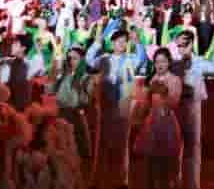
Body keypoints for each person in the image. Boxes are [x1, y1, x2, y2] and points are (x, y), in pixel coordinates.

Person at [87, 28, 149, 189]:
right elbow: (89, 60)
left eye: (124, 41)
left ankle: (122, 181)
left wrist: (137, 42)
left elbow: (142, 59)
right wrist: (98, 42)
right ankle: (96, 181)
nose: (121, 44)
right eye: (118, 41)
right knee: (102, 144)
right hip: (106, 105)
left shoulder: (130, 59)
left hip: (123, 105)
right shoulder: (104, 59)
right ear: (112, 42)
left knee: (122, 144)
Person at [172, 27, 214, 189]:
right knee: (176, 144)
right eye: (178, 45)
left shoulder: (200, 62)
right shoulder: (174, 64)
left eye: (184, 45)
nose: (181, 48)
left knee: (194, 145)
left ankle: (193, 184)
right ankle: (176, 181)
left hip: (194, 105)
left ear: (191, 44)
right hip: (177, 106)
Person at [135, 47, 184, 189]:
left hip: (167, 123)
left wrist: (164, 92)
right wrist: (140, 115)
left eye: (163, 61)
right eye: (157, 62)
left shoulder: (175, 80)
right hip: (152, 122)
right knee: (150, 161)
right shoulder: (152, 79)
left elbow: (174, 102)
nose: (160, 65)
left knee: (167, 161)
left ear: (169, 62)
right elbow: (145, 103)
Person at [51, 46, 96, 178]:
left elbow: (87, 100)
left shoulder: (86, 78)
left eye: (75, 58)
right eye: (69, 58)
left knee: (77, 151)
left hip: (75, 116)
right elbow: (51, 91)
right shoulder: (63, 75)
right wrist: (54, 75)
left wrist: (79, 90)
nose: (71, 61)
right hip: (61, 114)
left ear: (82, 60)